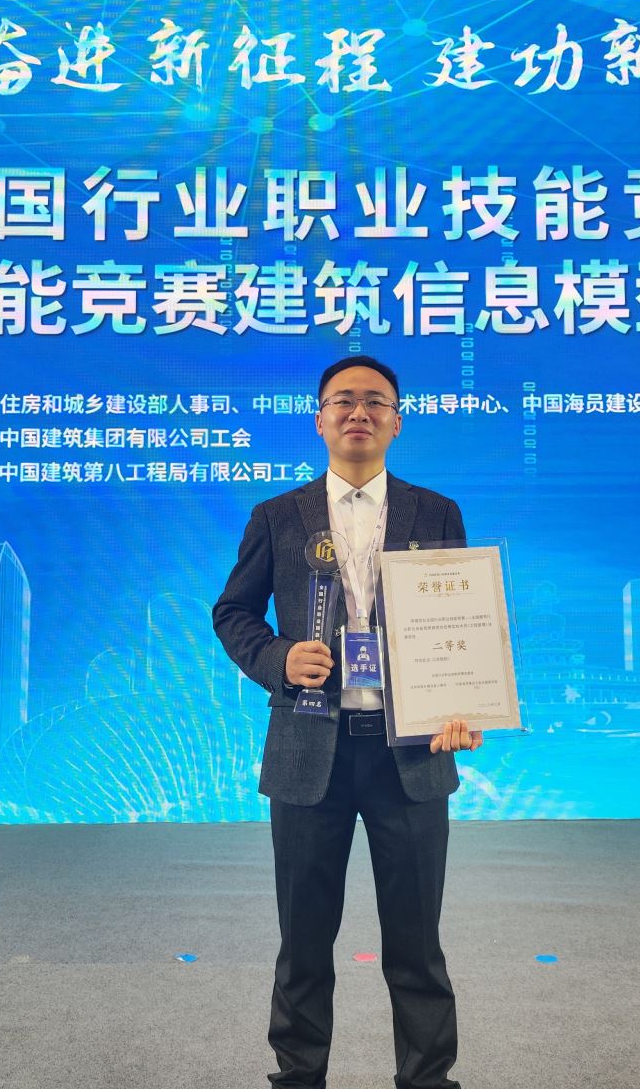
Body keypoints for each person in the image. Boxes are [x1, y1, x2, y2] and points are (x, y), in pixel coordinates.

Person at [212, 355, 481, 1089]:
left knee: (417, 946)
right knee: (303, 944)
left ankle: (427, 1081)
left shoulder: (437, 513)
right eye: (343, 401)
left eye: (375, 402)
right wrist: (278, 658)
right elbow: (233, 612)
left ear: (397, 421)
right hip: (309, 752)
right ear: (320, 419)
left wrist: (463, 703)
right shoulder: (278, 515)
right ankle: (297, 1079)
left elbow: (460, 621)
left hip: (411, 754)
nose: (358, 412)